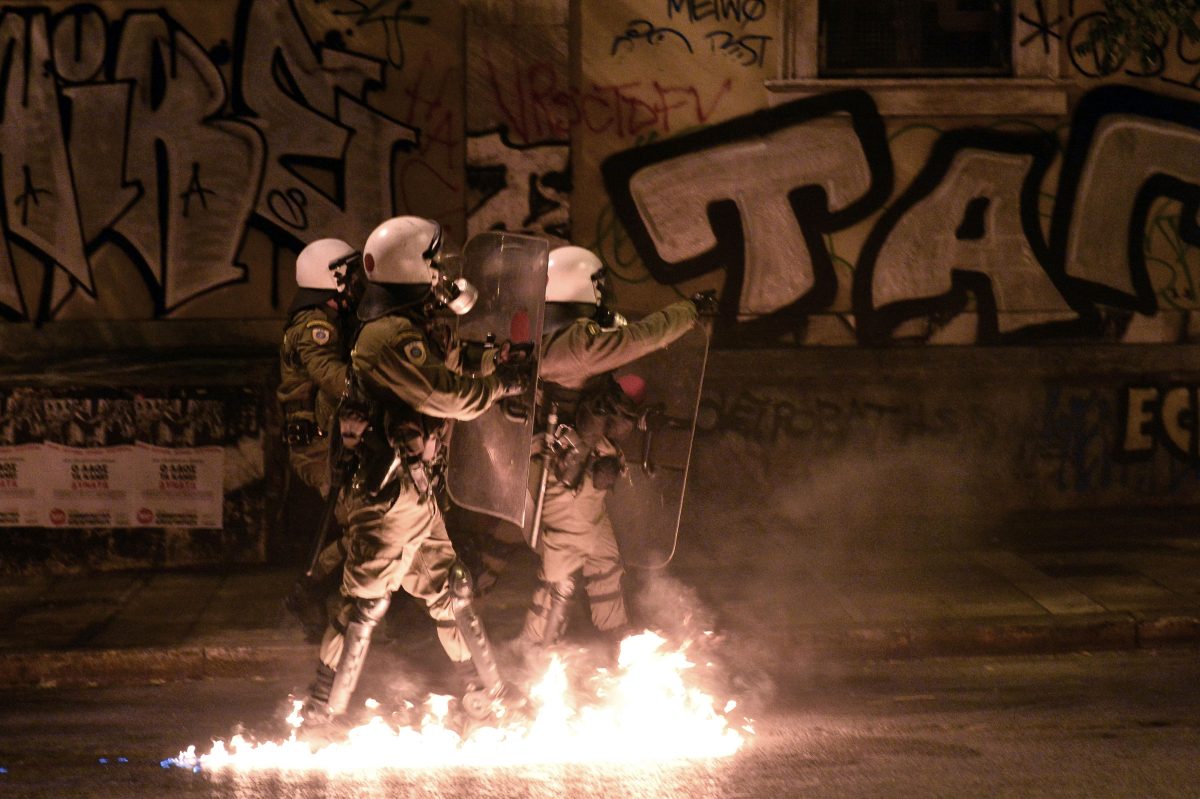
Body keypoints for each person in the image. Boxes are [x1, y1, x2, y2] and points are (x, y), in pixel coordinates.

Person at [301, 216, 529, 728]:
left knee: (452, 588)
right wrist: (500, 385)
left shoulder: (404, 325)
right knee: (362, 608)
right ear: (413, 266)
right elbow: (445, 395)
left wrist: (487, 359)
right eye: (433, 261)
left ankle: (488, 695)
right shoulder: (388, 335)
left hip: (414, 488)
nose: (440, 271)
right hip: (387, 496)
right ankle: (321, 717)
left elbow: (444, 370)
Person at [515, 245, 702, 656]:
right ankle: (530, 657)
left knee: (603, 561)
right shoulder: (578, 344)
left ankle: (617, 638)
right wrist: (688, 312)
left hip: (574, 472)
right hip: (569, 475)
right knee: (559, 576)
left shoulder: (551, 335)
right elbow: (640, 339)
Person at [277, 238, 363, 643]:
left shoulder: (327, 317)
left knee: (363, 524)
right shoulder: (315, 325)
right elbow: (334, 378)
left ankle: (316, 591)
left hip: (326, 442)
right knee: (363, 528)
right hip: (318, 448)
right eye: (349, 273)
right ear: (332, 278)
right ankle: (309, 590)